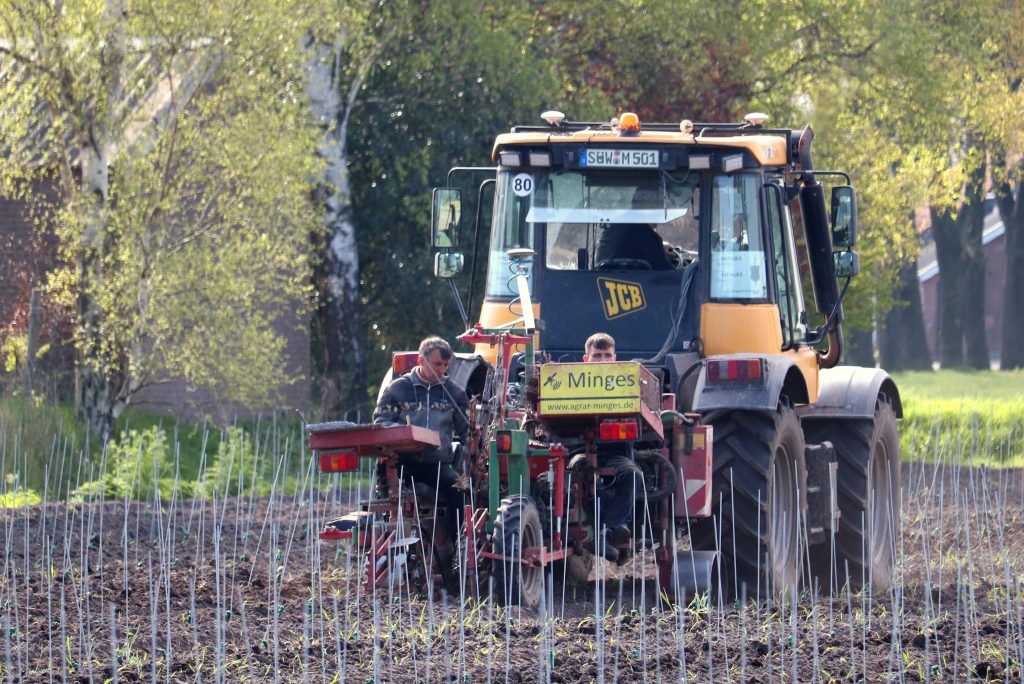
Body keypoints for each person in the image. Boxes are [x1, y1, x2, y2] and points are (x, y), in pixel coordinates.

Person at [373, 336, 469, 537]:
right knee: (389, 497)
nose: (441, 370)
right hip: (401, 462)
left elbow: (467, 432)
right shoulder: (397, 389)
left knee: (461, 492)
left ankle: (458, 548)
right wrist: (406, 434)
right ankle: (387, 542)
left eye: (445, 365)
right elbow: (380, 422)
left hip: (436, 465)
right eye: (436, 364)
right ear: (420, 361)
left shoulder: (454, 393)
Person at [583, 332, 645, 563]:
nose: (602, 361)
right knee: (579, 476)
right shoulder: (573, 385)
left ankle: (609, 530)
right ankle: (601, 530)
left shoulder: (625, 384)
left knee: (633, 474)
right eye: (597, 356)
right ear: (586, 359)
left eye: (607, 356)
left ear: (615, 358)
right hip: (578, 454)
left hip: (614, 456)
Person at [595, 223, 674, 270]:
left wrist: (660, 248)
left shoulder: (611, 230)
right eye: (658, 206)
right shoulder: (646, 235)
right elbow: (666, 272)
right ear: (652, 206)